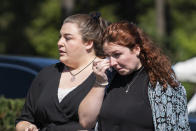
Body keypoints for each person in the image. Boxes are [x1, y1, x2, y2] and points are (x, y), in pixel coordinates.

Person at [78, 21, 190, 131]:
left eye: (117, 54)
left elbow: (178, 126)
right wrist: (100, 82)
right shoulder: (108, 78)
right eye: (108, 56)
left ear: (136, 49)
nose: (112, 62)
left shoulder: (162, 82)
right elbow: (85, 122)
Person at [15, 12, 108, 131]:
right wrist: (27, 127)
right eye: (60, 37)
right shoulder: (48, 73)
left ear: (88, 43)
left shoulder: (108, 73)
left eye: (68, 38)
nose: (59, 43)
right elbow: (24, 119)